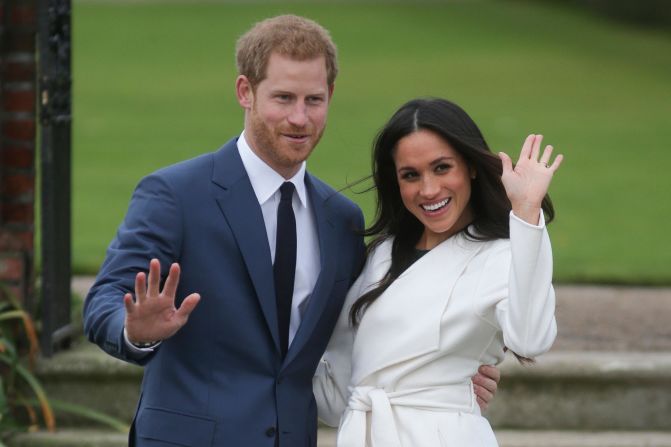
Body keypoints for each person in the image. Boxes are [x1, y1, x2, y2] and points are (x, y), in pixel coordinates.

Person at [82, 16, 499, 447]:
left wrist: (446, 371)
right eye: (283, 98)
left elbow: (368, 330)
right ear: (245, 91)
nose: (300, 118)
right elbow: (104, 301)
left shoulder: (343, 220)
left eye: (313, 100)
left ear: (330, 96)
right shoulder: (175, 194)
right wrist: (136, 332)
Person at [313, 98, 562, 446]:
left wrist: (525, 214)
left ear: (471, 166)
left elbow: (531, 339)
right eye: (410, 175)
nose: (428, 190)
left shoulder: (501, 254)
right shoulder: (381, 254)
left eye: (442, 168)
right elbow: (338, 388)